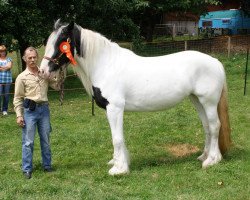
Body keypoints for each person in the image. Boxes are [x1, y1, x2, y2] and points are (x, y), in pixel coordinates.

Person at [13, 47, 60, 179]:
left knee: (46, 139)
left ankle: (47, 166)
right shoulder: (21, 77)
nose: (32, 60)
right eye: (30, 58)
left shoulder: (43, 72)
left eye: (34, 57)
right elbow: (17, 98)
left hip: (44, 109)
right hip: (30, 112)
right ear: (25, 59)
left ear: (37, 57)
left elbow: (56, 86)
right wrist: (19, 115)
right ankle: (27, 168)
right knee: (28, 142)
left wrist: (54, 75)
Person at [0, 45, 13, 115]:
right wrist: (6, 67)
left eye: (4, 51)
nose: (3, 53)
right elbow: (7, 67)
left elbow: (9, 67)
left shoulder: (9, 59)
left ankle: (5, 110)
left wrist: (1, 67)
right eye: (1, 51)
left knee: (6, 95)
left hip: (7, 80)